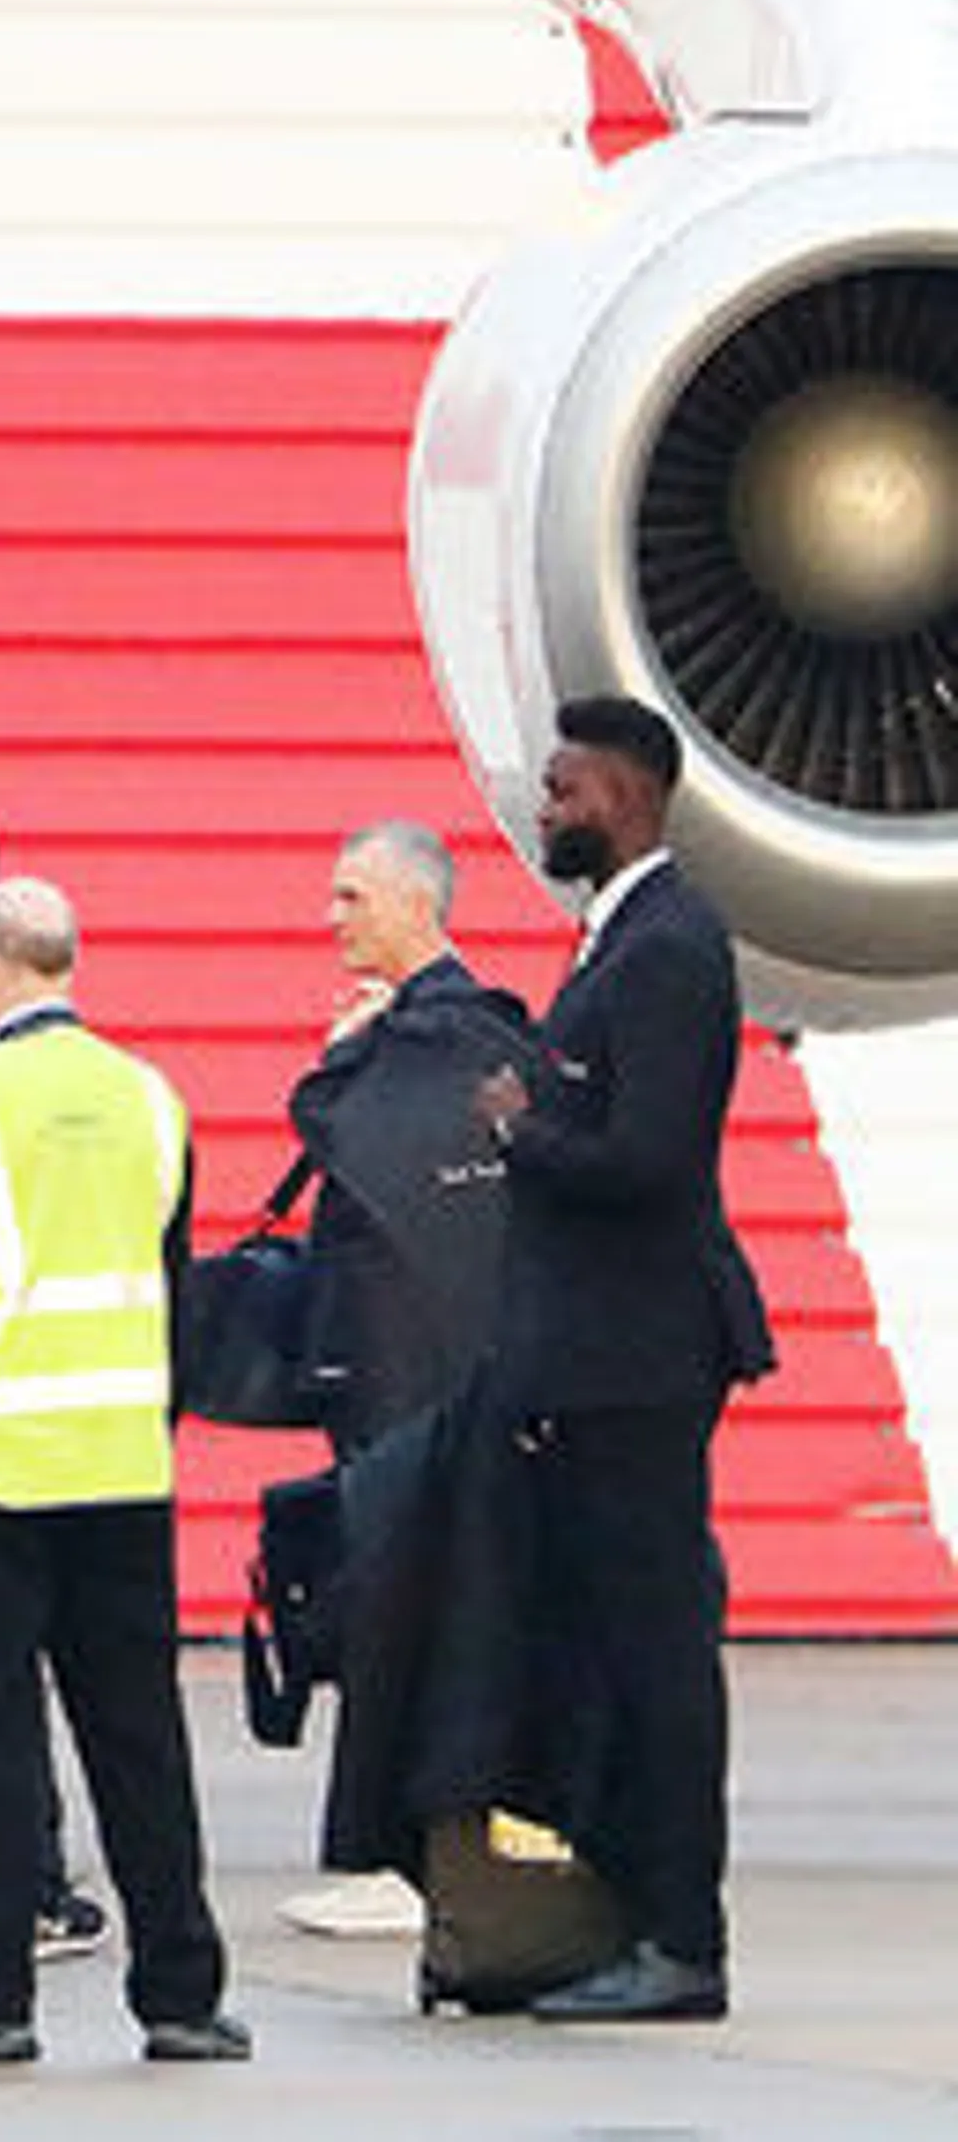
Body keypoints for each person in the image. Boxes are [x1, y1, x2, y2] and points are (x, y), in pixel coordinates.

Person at [0, 878, 248, 2067]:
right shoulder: (152, 1098)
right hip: (123, 1458)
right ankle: (181, 1987)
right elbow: (174, 1286)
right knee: (139, 1731)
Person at [470, 696, 774, 2023]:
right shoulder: (626, 939)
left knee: (654, 1648)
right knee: (618, 1637)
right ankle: (637, 1918)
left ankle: (679, 1937)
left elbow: (651, 1159)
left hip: (638, 1356)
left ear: (630, 797)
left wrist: (521, 1129)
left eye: (564, 789)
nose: (547, 811)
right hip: (602, 1353)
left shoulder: (667, 949)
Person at [272, 819, 539, 1942]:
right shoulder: (486, 1035)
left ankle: (390, 1844)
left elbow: (325, 1119)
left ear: (416, 906)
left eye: (352, 896)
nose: (334, 916)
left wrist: (346, 1047)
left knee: (394, 1593)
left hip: (407, 1365)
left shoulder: (422, 1035)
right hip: (437, 1353)